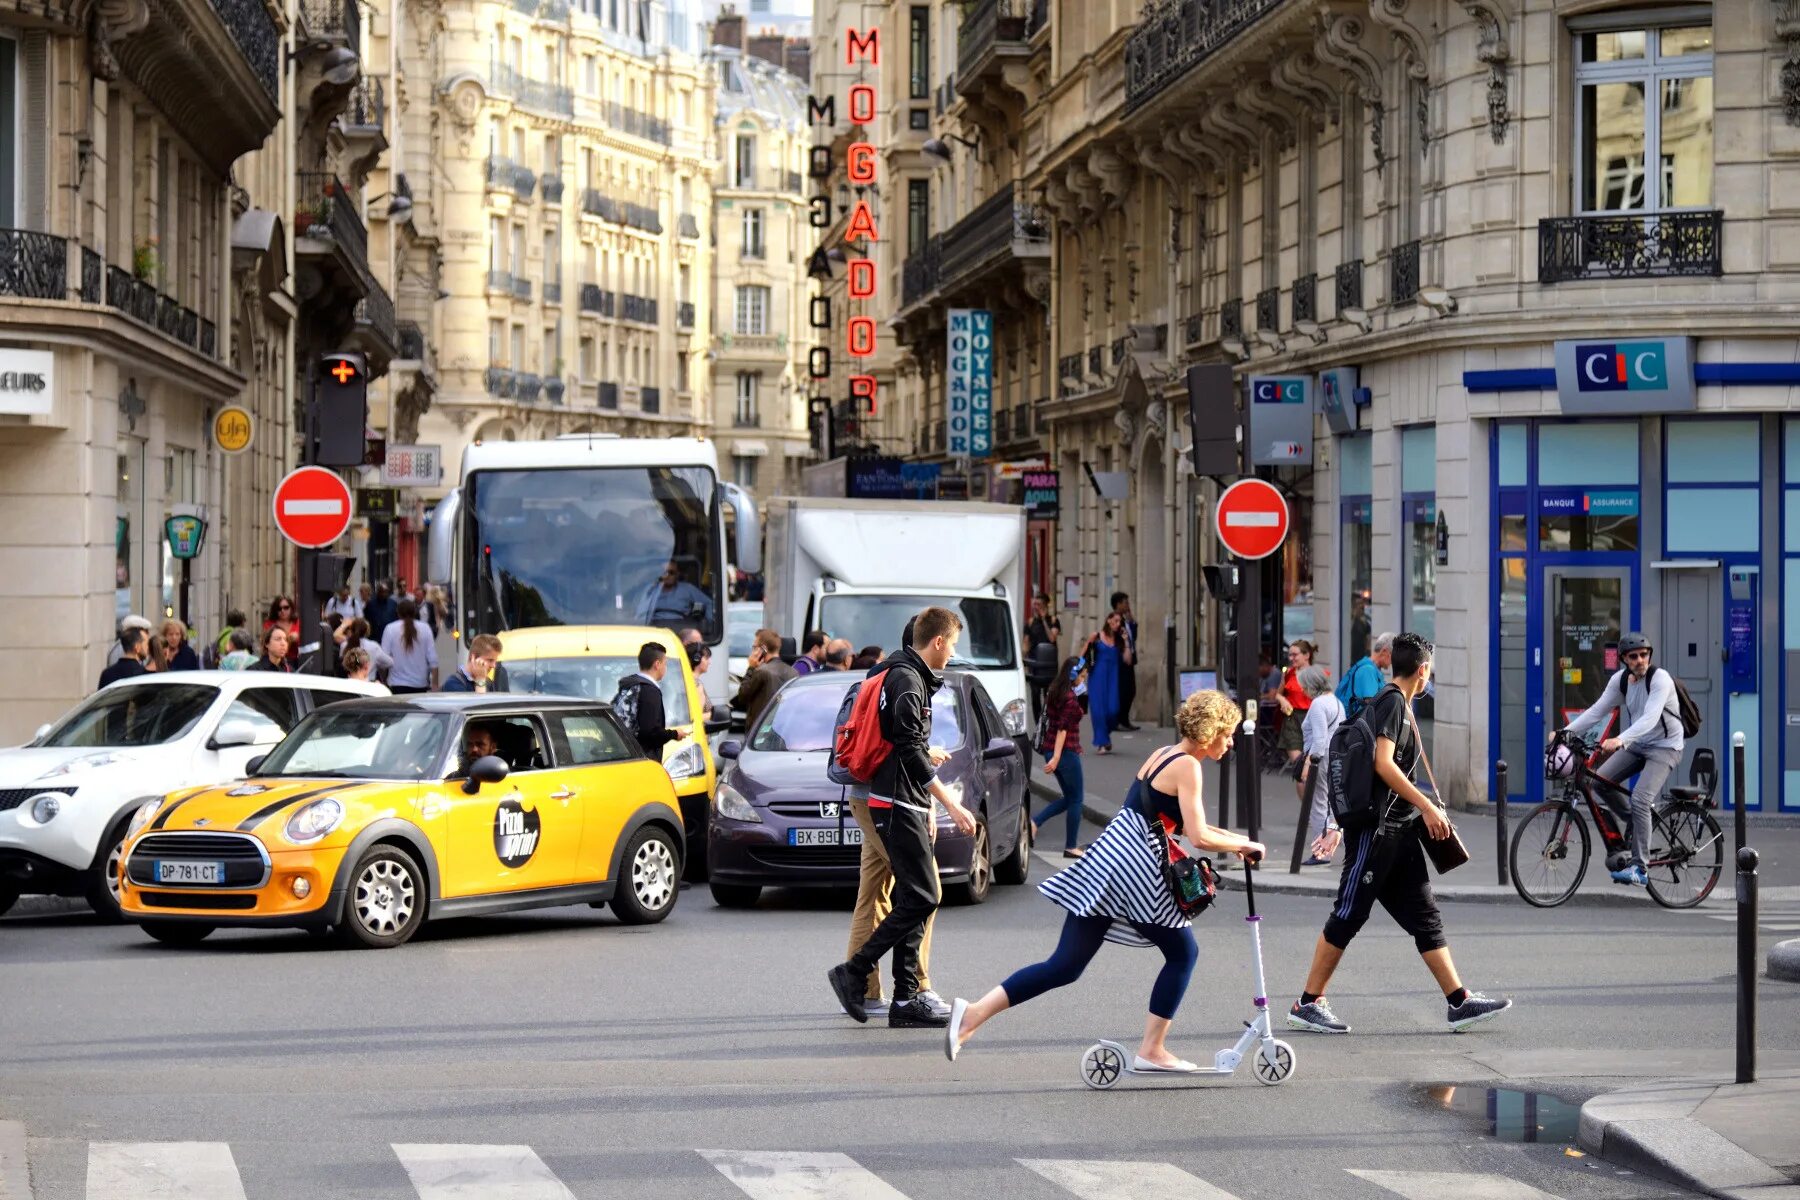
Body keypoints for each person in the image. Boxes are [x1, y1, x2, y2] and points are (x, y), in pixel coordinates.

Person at [945, 690, 1265, 1066]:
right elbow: (1197, 837)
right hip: (1135, 869)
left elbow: (1189, 823)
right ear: (1210, 731)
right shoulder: (1189, 767)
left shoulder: (1163, 755)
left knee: (1065, 965)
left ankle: (972, 1015)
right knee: (1183, 953)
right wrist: (1239, 844)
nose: (1230, 742)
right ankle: (1152, 1049)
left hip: (1107, 864)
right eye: (1226, 734)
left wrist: (1240, 842)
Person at [1289, 633, 1512, 1036]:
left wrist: (1422, 808)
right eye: (1430, 670)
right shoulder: (1392, 701)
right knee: (1348, 913)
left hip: (1400, 833)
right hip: (1377, 835)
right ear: (1423, 669)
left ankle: (1458, 1001)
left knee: (1426, 918)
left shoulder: (1397, 704)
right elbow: (1383, 765)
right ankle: (1307, 1002)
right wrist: (1427, 805)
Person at [828, 607, 979, 1029]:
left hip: (894, 799)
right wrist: (948, 802)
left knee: (900, 893)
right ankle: (861, 975)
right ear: (938, 642)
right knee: (923, 894)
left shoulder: (899, 673)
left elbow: (902, 744)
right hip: (895, 802)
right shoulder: (908, 681)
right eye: (952, 645)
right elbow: (909, 748)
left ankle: (901, 996)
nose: (952, 654)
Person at [1561, 631, 1685, 887]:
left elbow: (1650, 718)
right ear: (1624, 659)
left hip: (1665, 747)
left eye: (1644, 655)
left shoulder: (1660, 679)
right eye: (1634, 656)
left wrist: (1620, 740)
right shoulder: (1622, 681)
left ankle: (1640, 869)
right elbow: (1597, 711)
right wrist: (1564, 733)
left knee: (1641, 798)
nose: (1640, 660)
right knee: (1599, 782)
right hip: (1639, 744)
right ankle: (1637, 821)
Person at [1033, 656, 1090, 858]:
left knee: (1069, 798)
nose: (1084, 680)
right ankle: (1071, 846)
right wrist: (1056, 758)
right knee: (1077, 800)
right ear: (1073, 674)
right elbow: (1063, 730)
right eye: (1082, 676)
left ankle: (1034, 823)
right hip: (1066, 752)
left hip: (1053, 749)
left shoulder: (1055, 691)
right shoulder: (1069, 698)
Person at [1298, 665, 1345, 864]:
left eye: (1303, 685)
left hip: (1321, 758)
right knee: (1331, 804)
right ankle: (1329, 843)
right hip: (1336, 756)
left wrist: (1308, 764)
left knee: (1319, 804)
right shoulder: (1336, 701)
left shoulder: (1318, 704)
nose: (1302, 689)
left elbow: (1319, 740)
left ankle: (1321, 851)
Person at [617, 642, 688, 758]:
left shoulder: (631, 685)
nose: (666, 668)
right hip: (644, 757)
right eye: (665, 664)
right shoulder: (650, 691)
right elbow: (650, 732)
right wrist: (674, 734)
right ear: (657, 664)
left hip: (628, 753)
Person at [731, 628, 796, 731]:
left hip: (760, 730)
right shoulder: (793, 672)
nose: (753, 650)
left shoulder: (761, 672)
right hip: (784, 729)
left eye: (754, 647)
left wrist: (751, 668)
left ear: (763, 649)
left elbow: (742, 696)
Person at [1083, 612, 1129, 755]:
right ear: (1108, 620)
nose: (1117, 624)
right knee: (1098, 712)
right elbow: (1084, 654)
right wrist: (1077, 674)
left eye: (1119, 622)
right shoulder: (1096, 637)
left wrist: (1126, 641)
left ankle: (1105, 737)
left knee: (1113, 710)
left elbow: (1128, 660)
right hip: (1096, 678)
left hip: (1113, 680)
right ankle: (1102, 743)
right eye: (1115, 621)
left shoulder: (1119, 640)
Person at [1275, 640, 1319, 771]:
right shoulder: (1288, 673)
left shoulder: (1317, 675)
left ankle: (1309, 790)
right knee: (1299, 764)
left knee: (1311, 766)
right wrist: (1283, 700)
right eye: (1290, 655)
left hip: (1312, 718)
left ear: (1307, 655)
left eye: (1295, 655)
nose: (1291, 658)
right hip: (1292, 718)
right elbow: (1278, 694)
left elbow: (1326, 697)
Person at [380, 598, 438, 693]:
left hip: (396, 684)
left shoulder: (390, 629)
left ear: (398, 613)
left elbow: (383, 659)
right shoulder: (425, 628)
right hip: (420, 684)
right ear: (415, 612)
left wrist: (384, 680)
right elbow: (433, 660)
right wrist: (435, 684)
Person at [637, 560, 715, 629]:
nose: (667, 576)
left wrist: (709, 622)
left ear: (677, 574)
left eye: (671, 572)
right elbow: (639, 611)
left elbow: (709, 603)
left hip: (681, 624)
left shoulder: (687, 588)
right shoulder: (651, 588)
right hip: (655, 624)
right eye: (664, 573)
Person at [1337, 632, 1393, 721]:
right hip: (1357, 727)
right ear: (1384, 651)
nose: (1392, 661)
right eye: (1392, 655)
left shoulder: (1369, 667)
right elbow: (1372, 705)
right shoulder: (1368, 670)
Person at [1024, 592, 1062, 720]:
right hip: (1035, 664)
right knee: (1035, 696)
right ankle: (1038, 723)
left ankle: (1048, 721)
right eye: (1034, 604)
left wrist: (1044, 620)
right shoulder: (1030, 622)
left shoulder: (1053, 621)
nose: (1036, 607)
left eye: (1039, 604)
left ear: (1045, 605)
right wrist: (1023, 660)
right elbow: (1026, 643)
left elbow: (1052, 638)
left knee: (1048, 696)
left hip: (1049, 665)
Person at [1110, 592, 1140, 732]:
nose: (1127, 605)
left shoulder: (1125, 620)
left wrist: (1131, 619)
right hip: (1121, 660)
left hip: (1129, 659)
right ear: (1118, 604)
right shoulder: (1114, 619)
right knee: (1124, 691)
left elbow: (1133, 636)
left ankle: (1125, 720)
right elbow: (1115, 638)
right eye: (1125, 603)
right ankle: (1119, 721)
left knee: (1131, 690)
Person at [335, 616, 393, 680]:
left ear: (351, 630)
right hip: (368, 682)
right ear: (367, 631)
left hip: (350, 682)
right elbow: (389, 662)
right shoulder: (374, 646)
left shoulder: (344, 644)